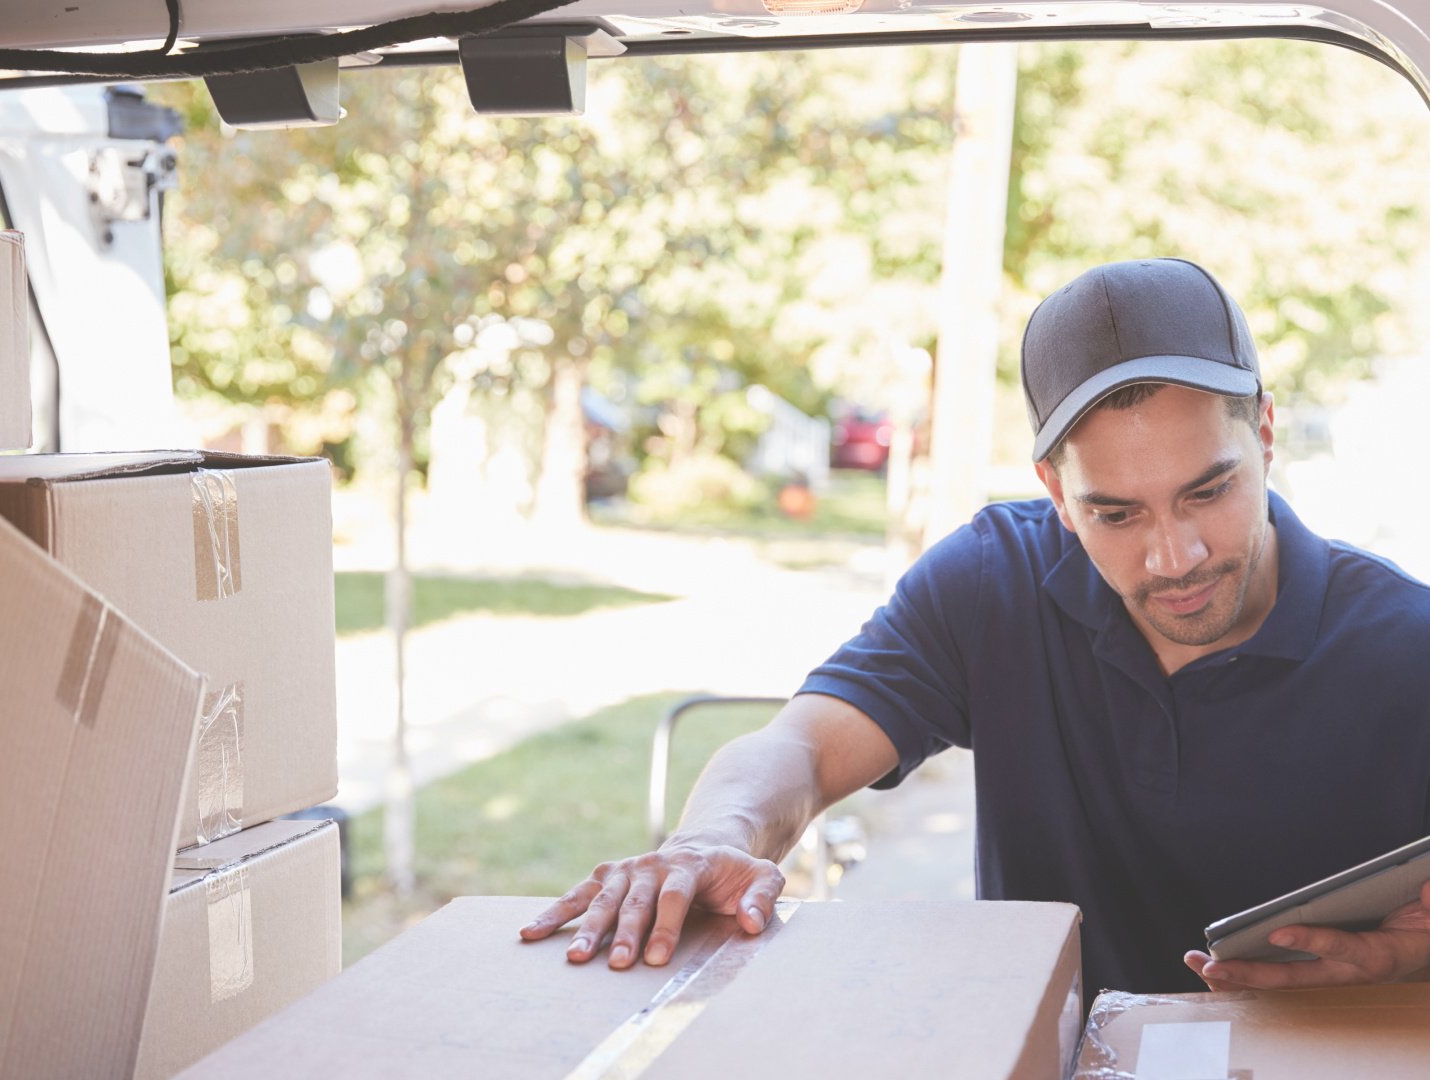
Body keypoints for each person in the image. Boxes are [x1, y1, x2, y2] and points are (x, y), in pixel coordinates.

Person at [520, 257, 1430, 1001]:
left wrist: (1414, 961)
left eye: (1209, 490)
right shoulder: (993, 579)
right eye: (1116, 514)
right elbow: (798, 747)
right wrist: (712, 838)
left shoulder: (1408, 642)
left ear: (1265, 434)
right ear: (1055, 494)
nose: (1175, 555)